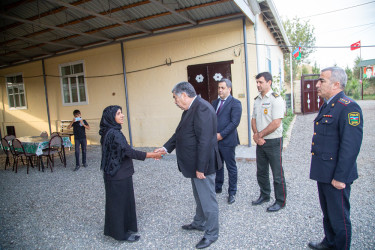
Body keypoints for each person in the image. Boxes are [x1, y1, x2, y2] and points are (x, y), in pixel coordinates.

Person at [155, 81, 222, 249]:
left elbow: (205, 141)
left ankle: (212, 233)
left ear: (184, 95)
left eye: (175, 98)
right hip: (194, 165)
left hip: (202, 166)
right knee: (199, 197)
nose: (175, 101)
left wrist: (201, 168)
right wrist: (165, 148)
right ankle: (199, 222)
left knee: (208, 201)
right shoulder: (189, 109)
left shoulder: (202, 108)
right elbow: (179, 133)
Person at [308, 67, 363, 250]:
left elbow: (351, 146)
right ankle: (329, 242)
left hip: (336, 175)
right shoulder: (329, 104)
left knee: (340, 218)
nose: (317, 84)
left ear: (336, 84)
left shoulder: (349, 107)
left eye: (322, 80)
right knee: (328, 214)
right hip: (324, 172)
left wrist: (340, 177)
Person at [99, 105, 162, 242]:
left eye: (121, 113)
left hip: (114, 174)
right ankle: (120, 234)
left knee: (118, 203)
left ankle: (117, 229)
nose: (122, 115)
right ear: (111, 117)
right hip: (118, 175)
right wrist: (151, 154)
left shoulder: (108, 131)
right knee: (120, 205)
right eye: (118, 113)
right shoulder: (115, 133)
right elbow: (129, 152)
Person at [251, 72, 286, 212]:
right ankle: (265, 195)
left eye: (260, 82)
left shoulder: (276, 99)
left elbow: (276, 123)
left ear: (269, 82)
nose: (258, 85)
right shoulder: (257, 99)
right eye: (257, 82)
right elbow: (253, 119)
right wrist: (256, 136)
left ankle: (280, 201)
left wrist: (260, 135)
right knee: (261, 171)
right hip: (261, 141)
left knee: (277, 174)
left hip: (273, 141)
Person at [212, 78, 242, 204]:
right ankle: (218, 187)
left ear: (229, 89)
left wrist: (221, 135)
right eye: (219, 87)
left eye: (222, 88)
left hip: (228, 141)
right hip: (215, 141)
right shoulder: (214, 103)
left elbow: (234, 122)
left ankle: (232, 192)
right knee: (218, 166)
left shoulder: (235, 103)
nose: (220, 90)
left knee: (231, 167)